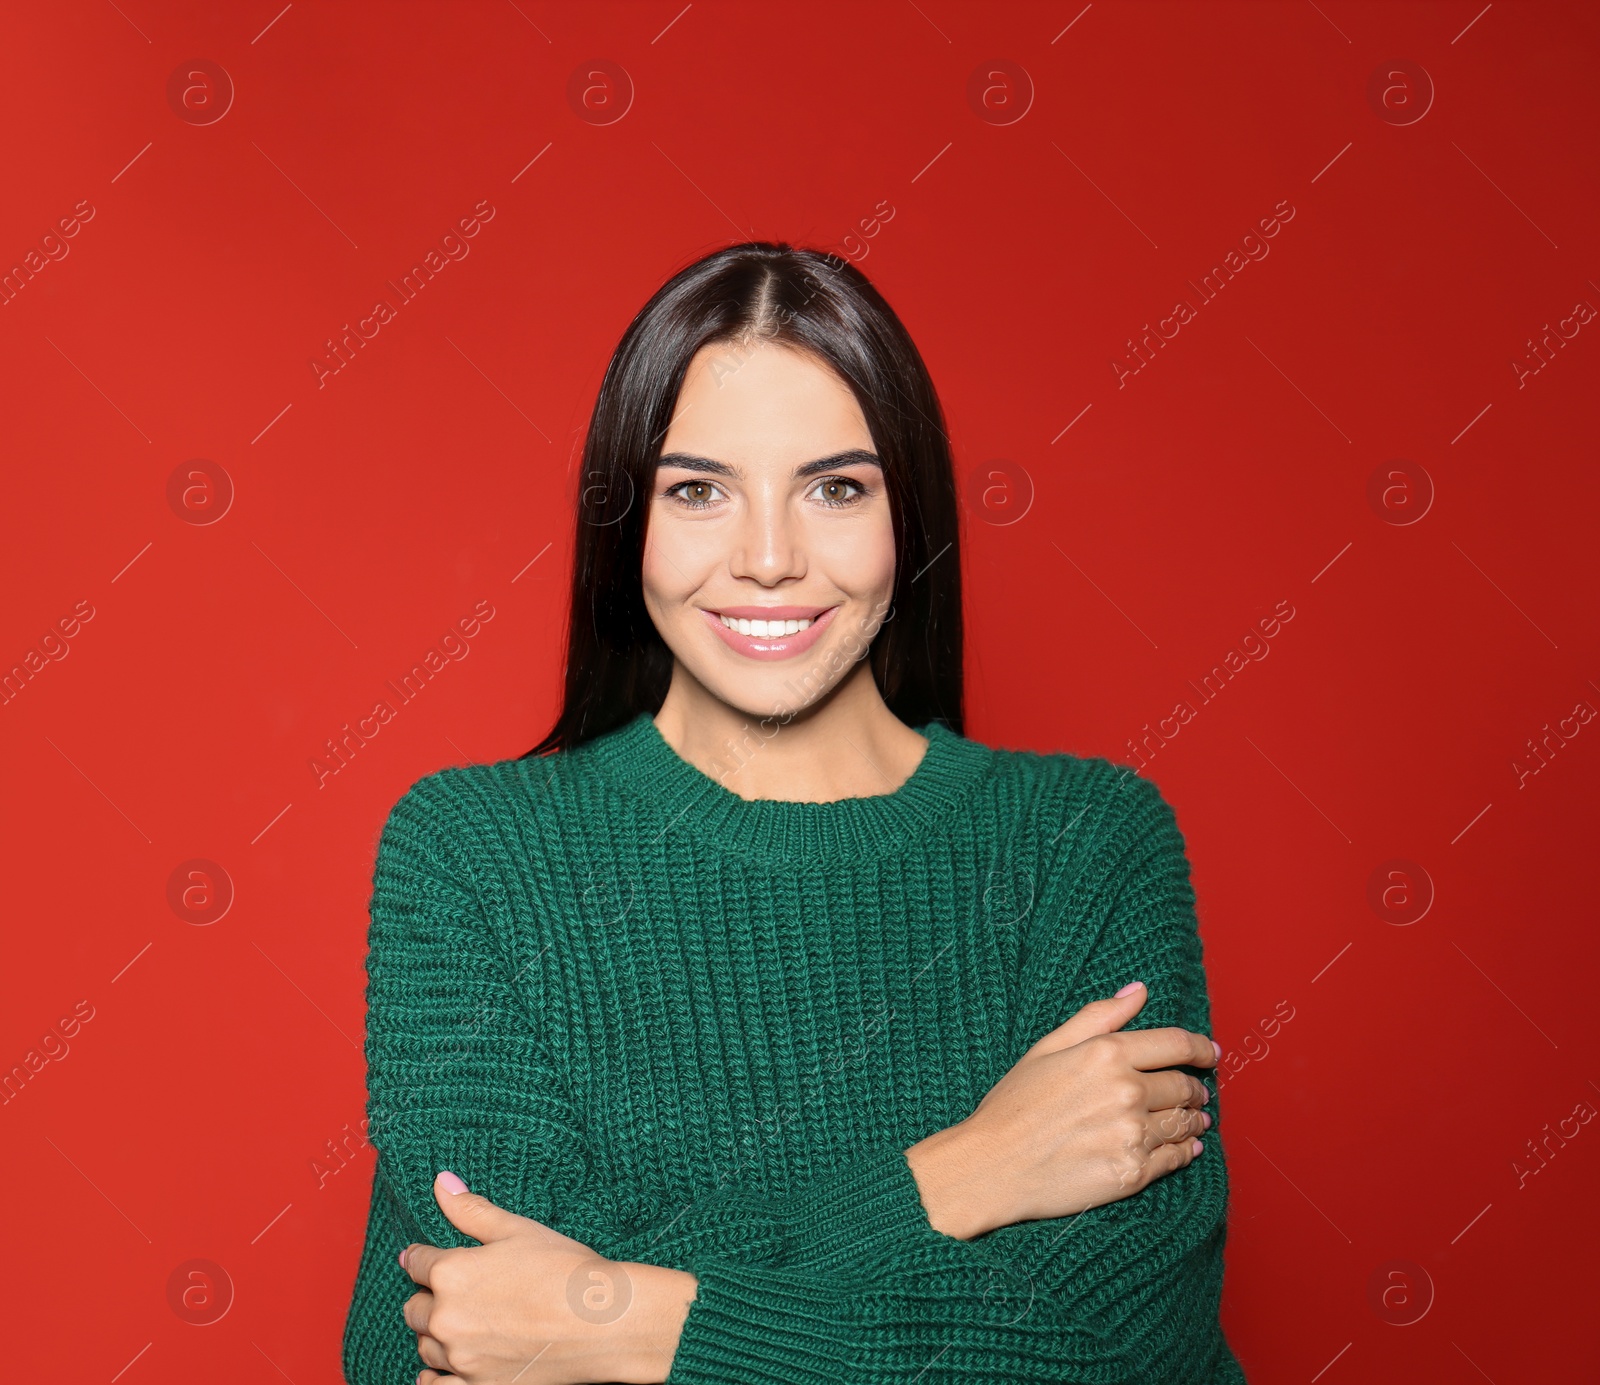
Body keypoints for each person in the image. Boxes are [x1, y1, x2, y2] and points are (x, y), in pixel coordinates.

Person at [341, 242, 1246, 1384]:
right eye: (700, 490)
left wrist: (622, 1323)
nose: (769, 559)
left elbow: (1117, 1354)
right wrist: (958, 1174)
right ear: (628, 526)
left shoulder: (1083, 842)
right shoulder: (473, 852)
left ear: (906, 515)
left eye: (834, 488)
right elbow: (434, 1338)